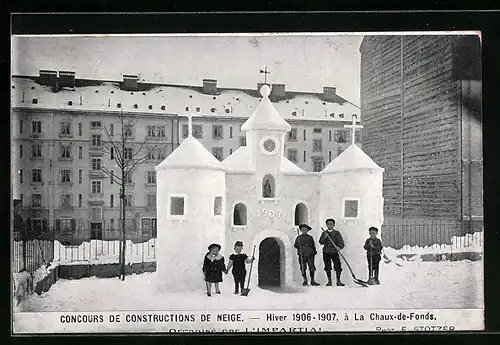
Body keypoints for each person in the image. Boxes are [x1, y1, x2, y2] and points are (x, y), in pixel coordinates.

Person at [319, 218, 345, 286]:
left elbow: (341, 243)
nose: (330, 225)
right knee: (327, 267)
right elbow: (320, 242)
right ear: (326, 225)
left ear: (334, 225)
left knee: (338, 266)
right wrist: (324, 237)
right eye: (328, 224)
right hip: (326, 252)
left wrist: (339, 247)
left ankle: (338, 281)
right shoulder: (324, 233)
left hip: (334, 252)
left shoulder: (336, 233)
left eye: (331, 224)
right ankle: (329, 281)